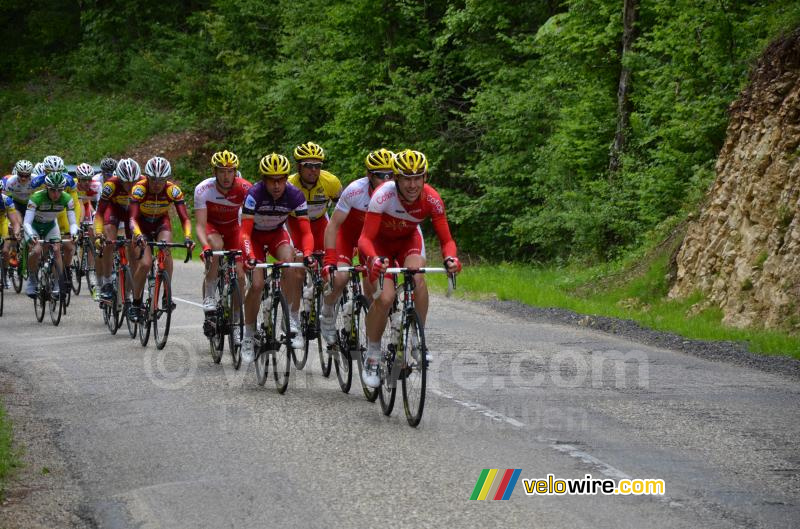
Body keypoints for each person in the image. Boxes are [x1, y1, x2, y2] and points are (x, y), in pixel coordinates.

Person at [357, 149, 462, 388]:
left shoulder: (432, 198)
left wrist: (450, 259)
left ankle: (417, 338)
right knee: (385, 298)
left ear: (425, 177)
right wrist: (373, 259)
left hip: (408, 241)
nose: (412, 184)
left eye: (417, 178)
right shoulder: (383, 196)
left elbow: (447, 240)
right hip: (379, 245)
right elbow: (365, 239)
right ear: (396, 178)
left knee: (418, 276)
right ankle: (372, 354)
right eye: (406, 178)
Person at [239, 153, 315, 362]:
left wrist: (307, 253)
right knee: (256, 284)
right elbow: (244, 233)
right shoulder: (254, 194)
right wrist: (250, 256)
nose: (276, 184)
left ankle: (291, 319)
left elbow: (306, 232)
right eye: (272, 180)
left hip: (276, 234)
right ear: (264, 180)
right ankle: (248, 335)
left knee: (292, 263)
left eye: (281, 179)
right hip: (253, 236)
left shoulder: (295, 195)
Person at [319, 148, 395, 342]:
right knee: (340, 277)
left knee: (373, 292)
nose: (387, 181)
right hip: (348, 238)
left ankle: (371, 343)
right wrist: (329, 260)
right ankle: (327, 313)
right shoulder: (355, 190)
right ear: (369, 175)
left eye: (391, 175)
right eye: (380, 176)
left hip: (371, 242)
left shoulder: (397, 192)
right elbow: (333, 226)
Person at [128, 156, 193, 322]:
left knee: (166, 249)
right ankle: (135, 303)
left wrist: (187, 237)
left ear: (167, 179)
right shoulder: (139, 189)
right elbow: (133, 219)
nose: (157, 184)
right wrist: (138, 235)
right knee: (145, 264)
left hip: (161, 223)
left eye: (162, 180)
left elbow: (185, 218)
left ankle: (166, 294)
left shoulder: (173, 191)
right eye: (154, 180)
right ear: (147, 177)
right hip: (141, 225)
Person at [194, 150, 251, 315]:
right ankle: (210, 293)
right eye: (222, 171)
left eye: (230, 171)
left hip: (233, 228)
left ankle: (236, 319)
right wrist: (205, 246)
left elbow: (250, 218)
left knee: (240, 277)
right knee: (216, 247)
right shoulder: (203, 189)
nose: (226, 176)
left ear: (235, 172)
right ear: (215, 172)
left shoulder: (245, 188)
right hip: (212, 226)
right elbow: (200, 225)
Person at [23, 172, 78, 297]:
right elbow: (26, 223)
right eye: (53, 190)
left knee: (57, 249)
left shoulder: (67, 199)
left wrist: (74, 233)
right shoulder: (36, 198)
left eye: (59, 190)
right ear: (46, 187)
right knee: (36, 251)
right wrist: (31, 235)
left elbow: (73, 223)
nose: (56, 194)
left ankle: (58, 283)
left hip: (51, 225)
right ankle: (32, 279)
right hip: (34, 226)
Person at [94, 158, 139, 301]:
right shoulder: (110, 185)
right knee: (109, 242)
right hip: (113, 211)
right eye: (126, 182)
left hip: (130, 214)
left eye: (133, 182)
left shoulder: (143, 183)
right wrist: (98, 233)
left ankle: (128, 290)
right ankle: (107, 283)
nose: (130, 185)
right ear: (119, 177)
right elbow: (100, 213)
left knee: (133, 249)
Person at [287, 141, 341, 252]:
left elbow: (344, 209)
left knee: (328, 256)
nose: (314, 170)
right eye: (308, 165)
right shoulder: (289, 185)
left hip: (319, 222)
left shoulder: (331, 182)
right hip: (295, 223)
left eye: (317, 166)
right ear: (298, 166)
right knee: (297, 259)